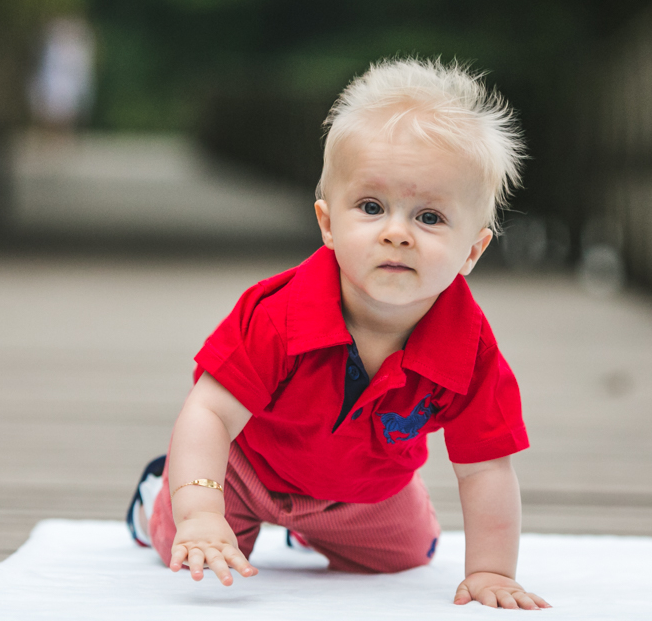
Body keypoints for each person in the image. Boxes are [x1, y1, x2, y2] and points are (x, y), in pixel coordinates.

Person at [126, 57, 549, 610]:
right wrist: (199, 511)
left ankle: (316, 530)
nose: (397, 233)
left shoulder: (468, 350)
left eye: (429, 218)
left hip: (364, 495)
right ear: (327, 222)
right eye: (371, 208)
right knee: (186, 545)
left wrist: (492, 570)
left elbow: (485, 467)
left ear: (473, 250)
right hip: (246, 471)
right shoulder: (280, 313)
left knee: (409, 554)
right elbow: (209, 411)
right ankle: (160, 492)